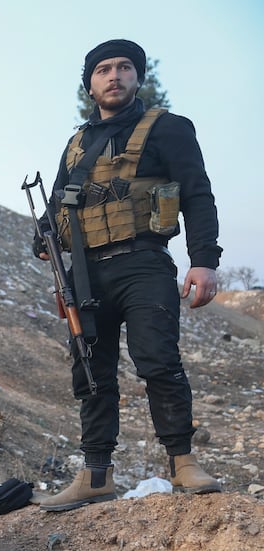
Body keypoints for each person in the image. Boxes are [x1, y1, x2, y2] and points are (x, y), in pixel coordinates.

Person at [36, 40, 224, 510]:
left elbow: (197, 194)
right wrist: (42, 239)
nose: (114, 75)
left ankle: (182, 462)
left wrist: (204, 260)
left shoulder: (168, 129)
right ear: (91, 84)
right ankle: (96, 473)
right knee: (91, 369)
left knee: (158, 360)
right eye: (103, 69)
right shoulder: (77, 143)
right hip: (85, 273)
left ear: (137, 77)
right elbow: (59, 203)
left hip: (143, 262)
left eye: (124, 67)